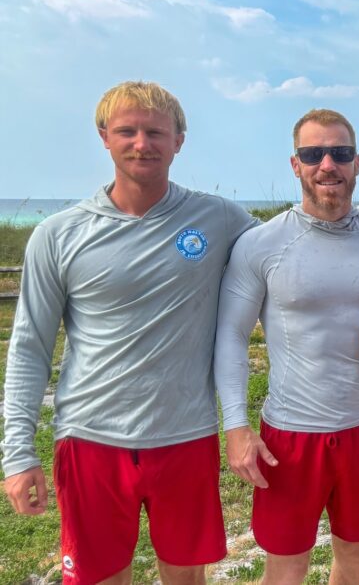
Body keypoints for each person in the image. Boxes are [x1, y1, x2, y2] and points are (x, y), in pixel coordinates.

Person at [2, 81, 257, 584]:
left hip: (186, 436)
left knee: (187, 578)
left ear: (178, 140)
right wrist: (18, 453)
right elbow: (30, 348)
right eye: (127, 131)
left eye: (155, 132)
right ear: (104, 137)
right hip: (91, 439)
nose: (142, 144)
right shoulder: (57, 234)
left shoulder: (218, 218)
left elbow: (290, 241)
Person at [214, 109, 359, 584]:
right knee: (286, 565)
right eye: (313, 153)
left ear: (357, 163)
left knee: (356, 557)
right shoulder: (260, 243)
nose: (327, 164)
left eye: (340, 153)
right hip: (290, 435)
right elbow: (232, 336)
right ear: (295, 164)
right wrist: (235, 426)